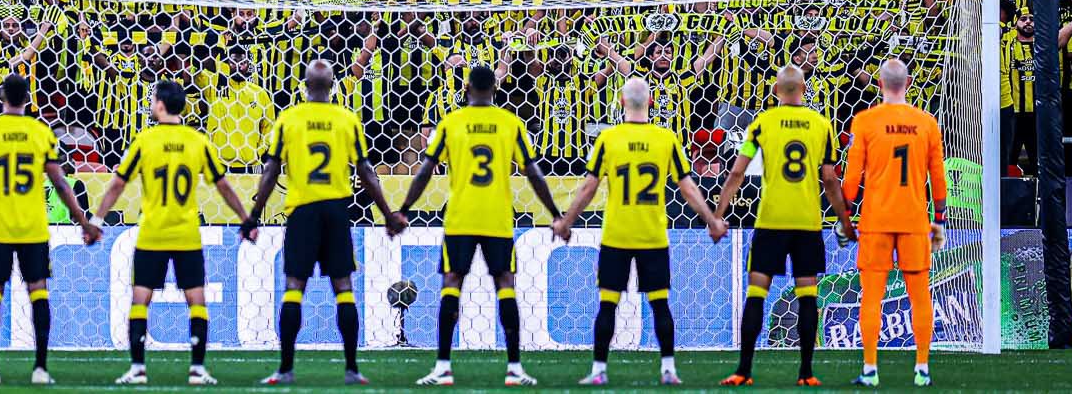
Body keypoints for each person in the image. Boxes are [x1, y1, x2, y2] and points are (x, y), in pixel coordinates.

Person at [550, 75, 729, 388]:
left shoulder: (608, 139)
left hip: (617, 236)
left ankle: (598, 370)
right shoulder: (666, 139)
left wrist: (566, 222)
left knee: (608, 304)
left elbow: (589, 188)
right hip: (652, 236)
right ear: (651, 102)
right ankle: (668, 369)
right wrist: (712, 220)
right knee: (659, 303)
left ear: (621, 102)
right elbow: (687, 188)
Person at [391, 65, 561, 388]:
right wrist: (555, 213)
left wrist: (403, 210)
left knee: (451, 284)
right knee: (505, 285)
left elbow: (425, 170)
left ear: (467, 89)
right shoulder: (510, 123)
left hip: (460, 219)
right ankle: (514, 368)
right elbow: (533, 172)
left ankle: (443, 367)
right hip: (498, 219)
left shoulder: (451, 123)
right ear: (495, 90)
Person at [242, 58, 406, 387]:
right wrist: (388, 214)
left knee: (294, 289)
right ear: (332, 86)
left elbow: (271, 170)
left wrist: (254, 215)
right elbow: (366, 171)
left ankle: (285, 369)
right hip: (336, 211)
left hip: (302, 212)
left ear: (304, 85)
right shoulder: (346, 119)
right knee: (343, 289)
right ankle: (352, 369)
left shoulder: (290, 119)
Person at [0, 72, 102, 385]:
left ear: (1, 97)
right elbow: (60, 182)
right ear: (27, 99)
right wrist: (84, 222)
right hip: (32, 227)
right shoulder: (40, 133)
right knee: (38, 291)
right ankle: (40, 369)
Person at [91, 79, 252, 387]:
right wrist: (246, 218)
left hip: (152, 233)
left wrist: (96, 221)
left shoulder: (144, 140)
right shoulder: (197, 141)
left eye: (153, 100)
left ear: (161, 105)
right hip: (186, 234)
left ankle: (138, 368)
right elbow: (223, 185)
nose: (151, 104)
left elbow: (118, 184)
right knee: (197, 301)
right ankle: (197, 369)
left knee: (140, 300)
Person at [712, 65, 852, 388]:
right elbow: (830, 179)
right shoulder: (821, 125)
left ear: (776, 91)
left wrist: (718, 214)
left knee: (756, 294)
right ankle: (806, 373)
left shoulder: (763, 123)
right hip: (807, 223)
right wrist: (844, 220)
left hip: (771, 222)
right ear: (803, 89)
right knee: (808, 296)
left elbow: (737, 172)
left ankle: (743, 370)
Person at [843, 58, 947, 389]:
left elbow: (852, 177)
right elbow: (938, 177)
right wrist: (939, 220)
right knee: (920, 295)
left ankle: (870, 369)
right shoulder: (926, 122)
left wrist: (844, 214)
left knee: (872, 296)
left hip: (876, 220)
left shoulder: (866, 121)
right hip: (914, 220)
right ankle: (922, 369)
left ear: (879, 84)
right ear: (909, 83)